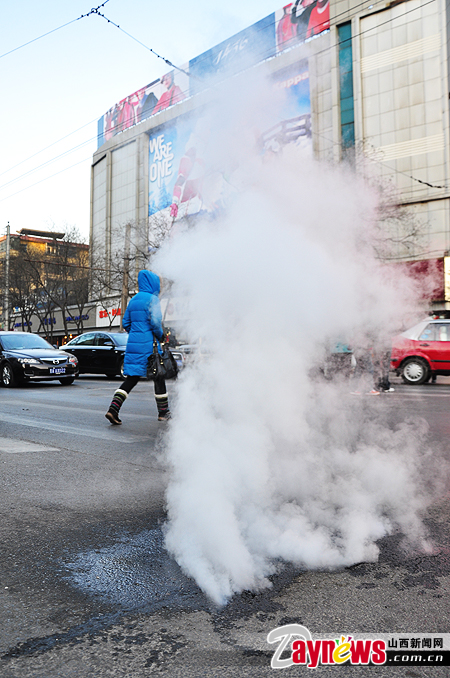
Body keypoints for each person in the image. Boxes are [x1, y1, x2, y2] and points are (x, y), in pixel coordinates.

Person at [105, 270, 171, 424]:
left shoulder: (133, 300)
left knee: (132, 379)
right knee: (159, 376)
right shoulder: (153, 299)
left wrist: (136, 332)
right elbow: (155, 323)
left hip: (134, 345)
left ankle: (113, 409)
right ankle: (163, 412)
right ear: (153, 283)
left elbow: (126, 323)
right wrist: (161, 335)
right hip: (150, 347)